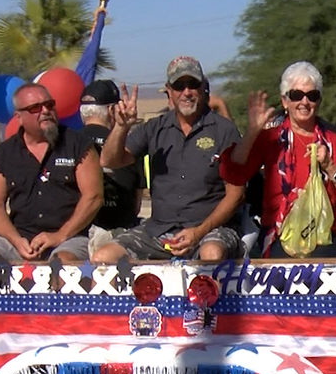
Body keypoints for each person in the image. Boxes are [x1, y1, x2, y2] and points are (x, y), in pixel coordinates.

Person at [93, 56, 246, 262]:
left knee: (211, 254)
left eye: (192, 84)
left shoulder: (224, 130)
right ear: (169, 91)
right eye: (178, 86)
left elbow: (236, 194)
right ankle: (140, 294)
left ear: (202, 88)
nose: (186, 92)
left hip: (211, 231)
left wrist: (199, 232)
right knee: (104, 256)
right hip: (159, 231)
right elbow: (109, 161)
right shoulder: (155, 128)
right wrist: (122, 127)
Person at [219, 61, 336, 258]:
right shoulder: (270, 138)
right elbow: (233, 173)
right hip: (281, 235)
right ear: (285, 101)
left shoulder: (335, 142)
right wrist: (252, 132)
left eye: (312, 96)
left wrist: (330, 166)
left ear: (319, 101)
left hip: (325, 236)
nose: (304, 102)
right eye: (296, 95)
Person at [0, 83, 102, 264]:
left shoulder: (78, 145)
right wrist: (16, 240)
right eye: (35, 108)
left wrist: (60, 235)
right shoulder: (3, 155)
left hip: (70, 238)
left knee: (61, 264)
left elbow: (93, 197)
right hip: (19, 239)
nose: (45, 110)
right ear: (19, 117)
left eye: (49, 104)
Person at [78, 80, 144, 255]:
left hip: (74, 237)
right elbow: (136, 204)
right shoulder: (129, 145)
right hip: (118, 238)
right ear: (110, 110)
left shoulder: (66, 143)